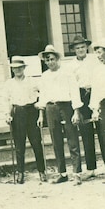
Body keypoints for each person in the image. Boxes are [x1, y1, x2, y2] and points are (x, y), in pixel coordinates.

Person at [36, 45, 83, 185]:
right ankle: (62, 173)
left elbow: (75, 92)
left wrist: (76, 111)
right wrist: (41, 115)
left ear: (57, 59)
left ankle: (76, 173)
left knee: (72, 139)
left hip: (66, 107)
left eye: (52, 59)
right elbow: (42, 97)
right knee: (56, 141)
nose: (50, 62)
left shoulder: (67, 73)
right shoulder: (44, 76)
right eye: (47, 60)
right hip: (51, 108)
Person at [4, 56, 46, 184]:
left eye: (20, 68)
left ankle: (42, 171)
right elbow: (6, 100)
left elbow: (42, 95)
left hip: (31, 111)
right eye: (15, 68)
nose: (17, 70)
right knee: (19, 145)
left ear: (24, 68)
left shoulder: (32, 81)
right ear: (12, 70)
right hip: (18, 113)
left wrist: (40, 114)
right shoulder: (9, 83)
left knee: (36, 143)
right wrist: (7, 114)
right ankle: (20, 172)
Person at [67, 35, 100, 180]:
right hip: (81, 96)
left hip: (96, 92)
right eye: (77, 48)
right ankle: (91, 168)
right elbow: (73, 87)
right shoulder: (71, 65)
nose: (80, 50)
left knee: (102, 130)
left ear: (86, 47)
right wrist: (77, 107)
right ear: (74, 50)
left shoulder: (94, 60)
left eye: (82, 47)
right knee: (86, 133)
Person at [90, 39, 105, 173]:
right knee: (104, 137)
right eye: (96, 53)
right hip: (103, 106)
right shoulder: (96, 70)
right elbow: (95, 91)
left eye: (100, 52)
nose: (98, 55)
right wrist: (95, 109)